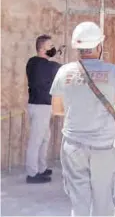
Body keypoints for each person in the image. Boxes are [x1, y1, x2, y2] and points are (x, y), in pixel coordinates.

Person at [50, 22, 115, 216]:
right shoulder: (112, 71)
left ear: (77, 48)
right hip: (103, 146)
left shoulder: (64, 72)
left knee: (79, 200)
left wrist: (78, 108)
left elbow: (57, 110)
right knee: (103, 200)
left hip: (73, 146)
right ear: (99, 46)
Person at [25, 35, 61, 184]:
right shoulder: (45, 65)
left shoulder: (32, 62)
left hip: (39, 106)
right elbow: (57, 68)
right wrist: (58, 56)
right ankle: (32, 173)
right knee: (36, 140)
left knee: (44, 138)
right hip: (41, 106)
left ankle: (41, 168)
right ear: (41, 49)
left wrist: (55, 55)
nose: (52, 48)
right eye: (50, 46)